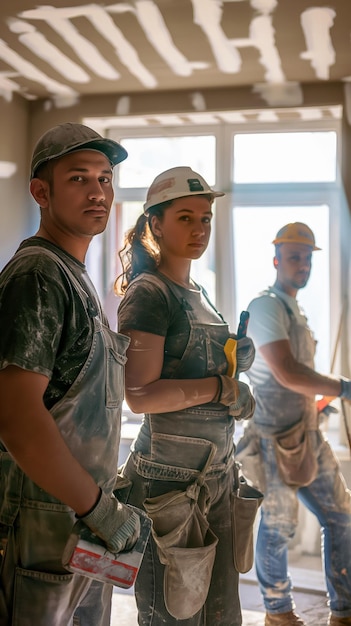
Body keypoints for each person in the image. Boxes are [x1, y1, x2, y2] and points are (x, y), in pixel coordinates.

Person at [0, 122, 141, 626]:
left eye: (105, 179)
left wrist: (100, 507)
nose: (98, 192)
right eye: (79, 179)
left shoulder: (73, 274)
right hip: (43, 526)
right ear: (41, 191)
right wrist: (97, 507)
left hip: (77, 525)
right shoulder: (38, 275)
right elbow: (17, 419)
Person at [115, 166, 257, 626]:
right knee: (173, 614)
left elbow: (187, 367)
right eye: (185, 218)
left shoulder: (196, 292)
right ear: (155, 223)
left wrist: (235, 361)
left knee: (220, 612)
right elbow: (140, 395)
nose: (199, 229)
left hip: (215, 474)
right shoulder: (150, 293)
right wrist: (221, 388)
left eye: (206, 218)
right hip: (167, 486)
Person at [236, 222, 351, 626]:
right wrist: (343, 387)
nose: (302, 265)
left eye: (307, 258)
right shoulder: (266, 306)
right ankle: (278, 612)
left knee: (342, 514)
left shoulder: (294, 309)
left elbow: (297, 378)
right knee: (279, 525)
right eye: (294, 257)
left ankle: (343, 611)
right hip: (274, 436)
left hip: (307, 431)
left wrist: (319, 402)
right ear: (276, 260)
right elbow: (285, 372)